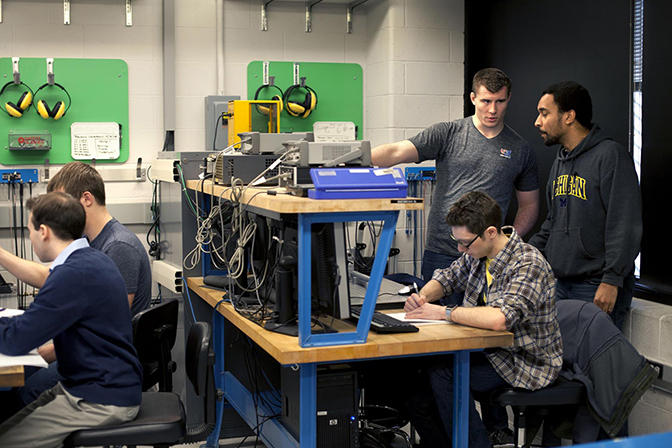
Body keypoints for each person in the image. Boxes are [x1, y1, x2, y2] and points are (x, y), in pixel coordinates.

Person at [403, 191, 563, 448]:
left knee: (446, 372)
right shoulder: (477, 254)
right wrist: (421, 297)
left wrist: (443, 312)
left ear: (490, 232)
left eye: (465, 243)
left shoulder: (527, 263)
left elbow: (500, 319)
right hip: (490, 351)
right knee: (417, 391)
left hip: (523, 362)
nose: (460, 249)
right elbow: (447, 278)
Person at [371, 68, 540, 301]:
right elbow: (397, 151)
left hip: (488, 254)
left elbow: (529, 205)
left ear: (508, 99)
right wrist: (349, 162)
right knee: (433, 321)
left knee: (482, 327)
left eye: (500, 101)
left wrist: (507, 242)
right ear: (473, 98)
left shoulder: (521, 149)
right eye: (486, 101)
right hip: (441, 252)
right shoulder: (449, 133)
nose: (492, 109)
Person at [0, 161, 152, 414]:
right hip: (93, 358)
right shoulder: (88, 243)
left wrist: (45, 351)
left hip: (104, 367)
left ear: (86, 199)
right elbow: (52, 277)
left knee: (26, 387)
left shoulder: (117, 246)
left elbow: (109, 326)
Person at [529, 81, 642, 332]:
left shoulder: (611, 156)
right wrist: (521, 253)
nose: (538, 122)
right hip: (561, 283)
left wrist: (612, 279)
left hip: (596, 285)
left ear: (569, 116)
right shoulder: (560, 162)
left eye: (544, 113)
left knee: (590, 366)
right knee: (559, 362)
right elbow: (554, 222)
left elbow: (624, 222)